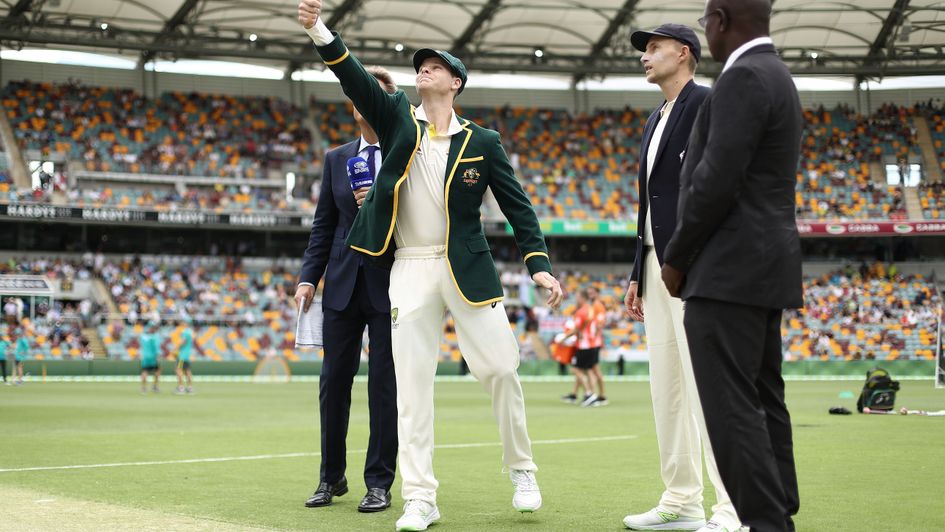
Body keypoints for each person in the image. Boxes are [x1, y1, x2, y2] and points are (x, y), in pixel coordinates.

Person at [297, 3, 564, 530]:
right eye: (420, 66)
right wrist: (318, 30)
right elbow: (353, 77)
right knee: (412, 385)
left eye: (435, 66)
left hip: (467, 268)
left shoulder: (482, 142)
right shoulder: (397, 117)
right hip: (410, 265)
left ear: (455, 83)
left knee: (501, 368)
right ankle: (421, 497)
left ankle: (522, 469)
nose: (424, 70)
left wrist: (538, 264)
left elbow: (519, 207)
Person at [660, 1, 802, 530]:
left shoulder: (742, 77)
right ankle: (779, 512)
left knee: (731, 409)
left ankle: (766, 522)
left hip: (726, 272)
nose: (708, 33)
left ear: (720, 19)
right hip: (764, 267)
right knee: (763, 399)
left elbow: (715, 180)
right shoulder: (777, 74)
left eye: (706, 24)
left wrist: (676, 258)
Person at [622, 22, 740, 532]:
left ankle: (733, 508)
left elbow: (723, 187)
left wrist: (696, 258)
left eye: (654, 48)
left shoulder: (709, 104)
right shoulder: (656, 117)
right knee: (665, 389)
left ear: (684, 53)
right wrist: (638, 271)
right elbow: (651, 202)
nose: (644, 56)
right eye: (644, 50)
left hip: (695, 264)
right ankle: (682, 499)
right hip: (656, 264)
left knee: (707, 389)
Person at [294, 66, 400, 514]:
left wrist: (381, 200)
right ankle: (330, 477)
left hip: (391, 283)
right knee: (333, 382)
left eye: (374, 91)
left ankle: (379, 482)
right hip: (340, 284)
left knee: (384, 386)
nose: (363, 98)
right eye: (357, 91)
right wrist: (308, 278)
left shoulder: (406, 153)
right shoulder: (336, 158)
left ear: (390, 103)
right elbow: (324, 226)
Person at [562, 289, 605, 407]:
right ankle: (589, 395)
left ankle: (590, 394)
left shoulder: (584, 311)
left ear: (582, 298)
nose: (576, 299)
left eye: (577, 297)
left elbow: (578, 328)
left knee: (578, 370)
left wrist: (563, 338)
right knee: (589, 370)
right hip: (592, 343)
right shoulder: (592, 309)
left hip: (585, 344)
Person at [139, 324, 162, 393]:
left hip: (145, 357)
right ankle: (155, 386)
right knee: (157, 371)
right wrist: (158, 356)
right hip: (153, 357)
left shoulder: (143, 337)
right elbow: (156, 347)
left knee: (145, 371)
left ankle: (143, 388)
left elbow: (142, 344)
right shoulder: (155, 337)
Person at [175, 320, 195, 395]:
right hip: (187, 355)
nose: (182, 323)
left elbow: (183, 341)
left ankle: (181, 387)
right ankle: (190, 387)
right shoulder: (190, 332)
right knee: (187, 371)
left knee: (178, 370)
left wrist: (176, 348)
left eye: (183, 322)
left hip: (182, 356)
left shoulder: (185, 332)